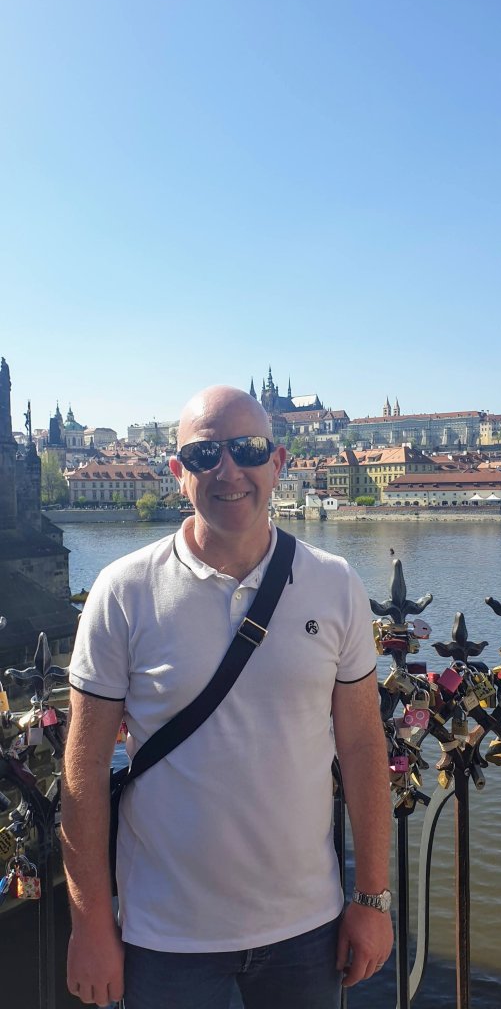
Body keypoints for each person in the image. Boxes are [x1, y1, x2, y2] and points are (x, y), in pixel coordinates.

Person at [62, 385, 393, 1009]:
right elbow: (83, 770)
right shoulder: (123, 590)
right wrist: (90, 924)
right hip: (164, 933)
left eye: (248, 450)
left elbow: (361, 746)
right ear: (177, 472)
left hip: (307, 925)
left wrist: (372, 897)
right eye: (204, 455)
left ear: (279, 462)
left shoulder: (334, 583)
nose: (228, 470)